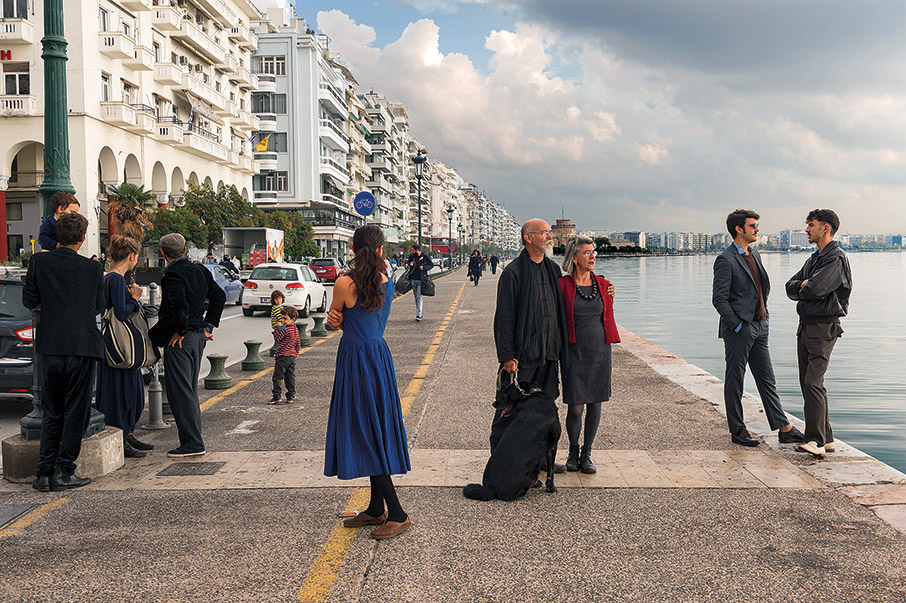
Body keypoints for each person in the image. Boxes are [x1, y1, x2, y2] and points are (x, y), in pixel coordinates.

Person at [325, 224, 411, 540]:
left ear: (352, 248)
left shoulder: (344, 283)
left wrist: (334, 320)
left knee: (365, 431)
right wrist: (340, 321)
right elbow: (364, 319)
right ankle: (376, 508)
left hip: (355, 359)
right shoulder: (386, 281)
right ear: (379, 250)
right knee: (375, 427)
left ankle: (398, 513)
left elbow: (334, 321)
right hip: (378, 357)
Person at [23, 212, 104, 491]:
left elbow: (29, 300)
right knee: (76, 411)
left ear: (58, 235)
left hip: (51, 345)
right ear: (81, 238)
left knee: (52, 410)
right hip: (81, 344)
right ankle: (64, 470)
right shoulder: (92, 268)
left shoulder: (39, 262)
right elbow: (98, 306)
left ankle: (44, 473)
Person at [712, 209, 805, 447]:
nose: (757, 230)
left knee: (767, 379)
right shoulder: (725, 260)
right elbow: (719, 299)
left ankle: (784, 428)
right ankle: (738, 430)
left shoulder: (755, 254)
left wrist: (764, 319)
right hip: (740, 330)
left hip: (760, 326)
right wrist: (737, 325)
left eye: (756, 226)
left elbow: (761, 289)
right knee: (735, 380)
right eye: (752, 226)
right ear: (738, 229)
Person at [492, 218, 569, 459]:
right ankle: (500, 460)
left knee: (545, 410)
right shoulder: (513, 273)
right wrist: (507, 356)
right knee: (509, 409)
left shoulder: (553, 270)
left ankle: (540, 460)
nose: (550, 237)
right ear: (529, 238)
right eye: (545, 232)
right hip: (522, 357)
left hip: (548, 353)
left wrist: (605, 287)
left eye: (549, 232)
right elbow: (504, 317)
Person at [149, 233, 226, 458]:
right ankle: (193, 440)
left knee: (180, 392)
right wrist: (208, 326)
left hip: (182, 338)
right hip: (198, 336)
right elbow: (219, 296)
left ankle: (192, 443)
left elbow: (179, 305)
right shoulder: (200, 270)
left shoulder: (173, 274)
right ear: (184, 250)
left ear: (163, 253)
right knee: (189, 389)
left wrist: (180, 331)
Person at [785, 209, 852, 458]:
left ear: (825, 228)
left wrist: (805, 285)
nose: (806, 230)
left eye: (811, 225)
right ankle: (827, 438)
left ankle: (815, 441)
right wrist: (803, 285)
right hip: (806, 325)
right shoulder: (815, 259)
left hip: (823, 326)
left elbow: (813, 289)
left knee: (813, 382)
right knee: (808, 382)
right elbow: (790, 286)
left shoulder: (835, 259)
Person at [558, 237, 619, 473]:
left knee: (596, 402)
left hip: (600, 351)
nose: (592, 256)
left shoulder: (603, 284)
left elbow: (607, 314)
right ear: (574, 258)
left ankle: (587, 454)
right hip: (574, 352)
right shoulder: (562, 285)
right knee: (575, 407)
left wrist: (611, 289)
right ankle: (573, 451)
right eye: (586, 253)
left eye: (593, 252)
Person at [95, 235, 153, 459]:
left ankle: (127, 434)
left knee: (128, 391)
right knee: (126, 393)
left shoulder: (108, 278)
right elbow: (122, 312)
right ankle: (123, 436)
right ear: (131, 256)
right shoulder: (117, 280)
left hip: (112, 345)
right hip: (121, 346)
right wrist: (135, 298)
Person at [270, 306, 301, 405]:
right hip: (291, 356)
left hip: (282, 356)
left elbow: (277, 338)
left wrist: (277, 328)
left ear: (293, 320)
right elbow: (298, 343)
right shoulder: (295, 329)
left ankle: (277, 396)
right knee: (290, 377)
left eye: (285, 318)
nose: (282, 321)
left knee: (277, 377)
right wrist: (296, 353)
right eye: (282, 318)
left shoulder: (286, 330)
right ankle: (290, 396)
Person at [406, 243, 433, 322]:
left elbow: (431, 265)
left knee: (419, 297)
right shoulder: (412, 256)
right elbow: (408, 263)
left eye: (413, 250)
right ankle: (419, 312)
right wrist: (410, 264)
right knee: (416, 297)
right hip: (413, 279)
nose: (411, 252)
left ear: (417, 250)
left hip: (421, 279)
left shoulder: (425, 256)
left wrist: (424, 267)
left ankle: (419, 314)